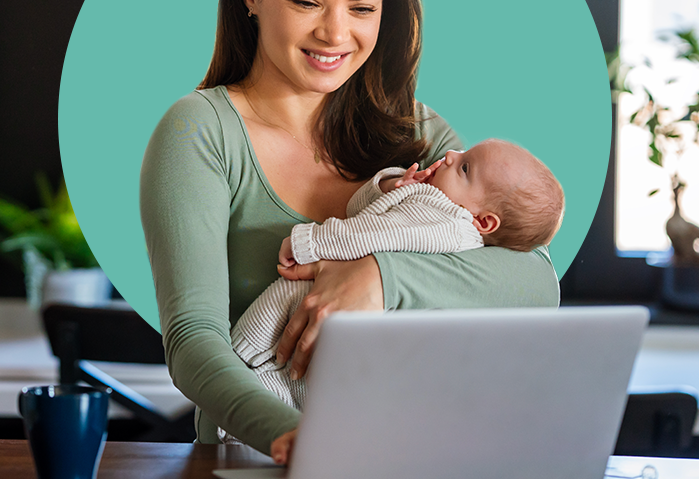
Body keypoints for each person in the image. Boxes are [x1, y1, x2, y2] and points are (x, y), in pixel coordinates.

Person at [139, 0, 561, 463]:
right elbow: (193, 343)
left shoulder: (418, 136)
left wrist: (378, 277)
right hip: (258, 459)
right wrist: (292, 437)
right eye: (306, 1)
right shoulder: (199, 132)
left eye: (363, 8)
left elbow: (536, 286)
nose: (336, 33)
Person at [223, 139, 564, 437]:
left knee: (269, 337)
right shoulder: (443, 202)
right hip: (355, 362)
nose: (449, 154)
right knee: (290, 381)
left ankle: (240, 373)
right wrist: (392, 187)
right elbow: (367, 214)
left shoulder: (445, 223)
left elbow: (369, 234)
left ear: (484, 221)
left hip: (326, 313)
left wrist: (309, 243)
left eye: (464, 167)